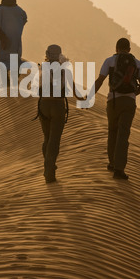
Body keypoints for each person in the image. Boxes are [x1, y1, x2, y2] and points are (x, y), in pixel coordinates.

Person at [94, 38, 140, 180]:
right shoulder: (137, 63)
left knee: (113, 131)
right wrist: (132, 95)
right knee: (123, 134)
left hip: (113, 101)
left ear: (116, 49)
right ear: (129, 49)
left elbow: (100, 80)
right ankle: (119, 169)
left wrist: (89, 97)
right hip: (129, 102)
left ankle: (112, 163)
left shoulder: (109, 61)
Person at [36, 44, 86, 184]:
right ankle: (49, 170)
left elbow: (36, 87)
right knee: (54, 140)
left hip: (44, 105)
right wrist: (82, 99)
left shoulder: (42, 68)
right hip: (58, 105)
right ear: (59, 55)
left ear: (47, 53)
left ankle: (48, 164)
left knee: (47, 138)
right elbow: (73, 88)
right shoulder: (65, 69)